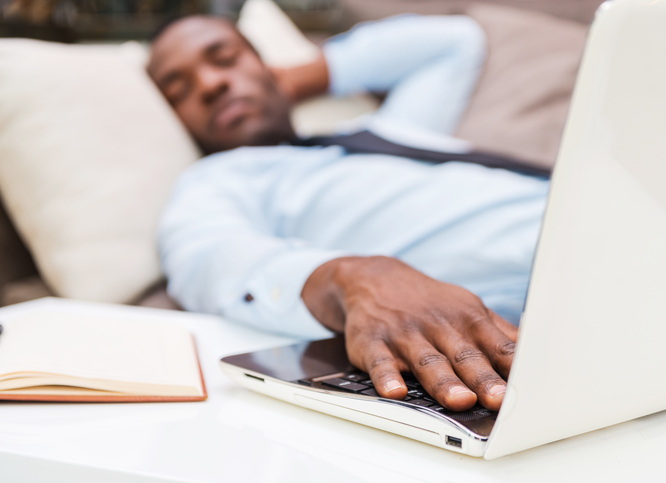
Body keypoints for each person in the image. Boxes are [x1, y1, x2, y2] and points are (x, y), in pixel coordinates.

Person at [148, 14, 550, 413]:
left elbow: (455, 42)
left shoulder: (390, 131)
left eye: (225, 59)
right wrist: (353, 277)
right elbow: (208, 258)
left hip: (587, 210)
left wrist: (291, 80)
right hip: (556, 284)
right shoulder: (217, 179)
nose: (209, 84)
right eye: (179, 89)